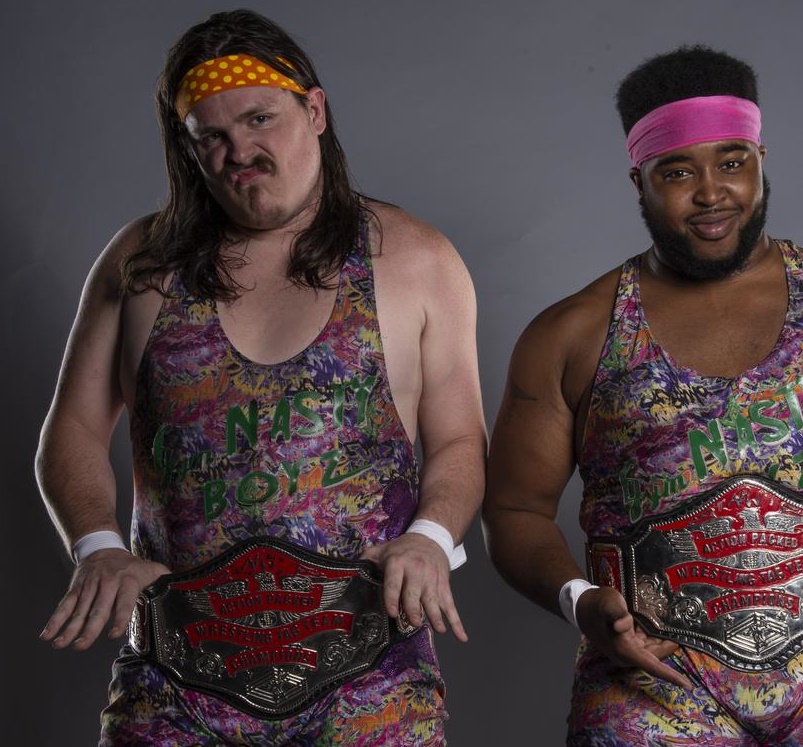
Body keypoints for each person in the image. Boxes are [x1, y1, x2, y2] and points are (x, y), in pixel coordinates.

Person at [483, 45, 803, 745]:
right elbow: (514, 509)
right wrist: (581, 602)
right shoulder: (572, 334)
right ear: (640, 181)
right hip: (656, 687)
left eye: (732, 162)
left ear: (761, 160)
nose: (711, 193)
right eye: (678, 172)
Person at [36, 9, 486, 746]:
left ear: (315, 111)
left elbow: (461, 437)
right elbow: (76, 428)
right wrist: (98, 546)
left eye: (259, 119)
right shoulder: (143, 264)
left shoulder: (414, 259)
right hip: (178, 685)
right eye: (210, 136)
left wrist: (432, 537)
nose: (239, 151)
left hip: (369, 686)